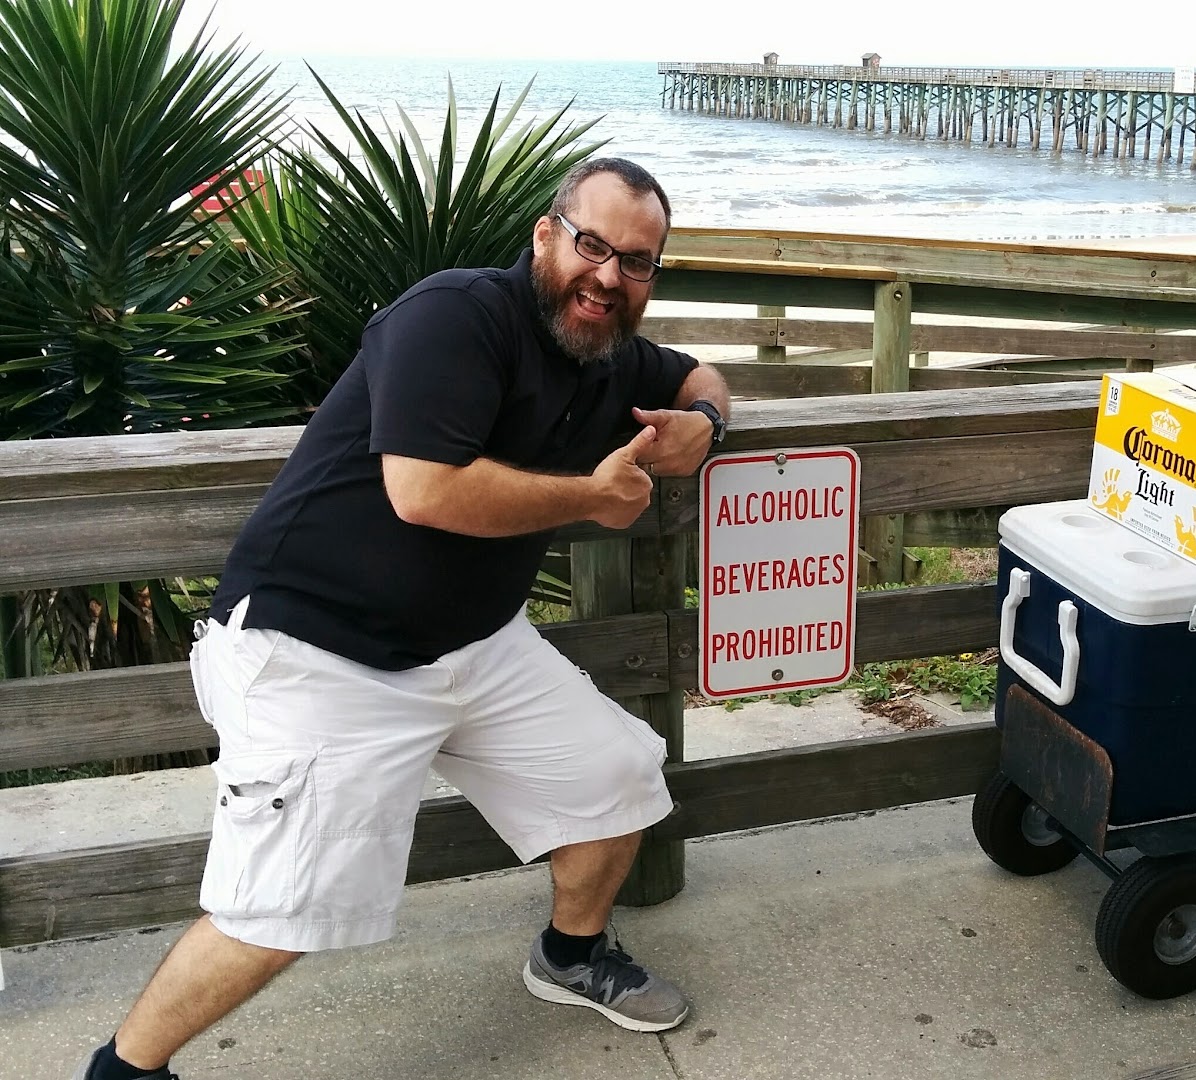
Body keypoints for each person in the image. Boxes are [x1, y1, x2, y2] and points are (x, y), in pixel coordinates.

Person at [78, 157, 730, 1080]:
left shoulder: (607, 352)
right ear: (545, 235)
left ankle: (570, 956)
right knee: (279, 911)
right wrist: (591, 496)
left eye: (636, 262)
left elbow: (701, 374)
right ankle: (121, 1071)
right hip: (315, 650)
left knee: (617, 773)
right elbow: (424, 491)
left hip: (472, 645)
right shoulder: (454, 314)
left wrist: (705, 422)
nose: (608, 276)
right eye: (592, 246)